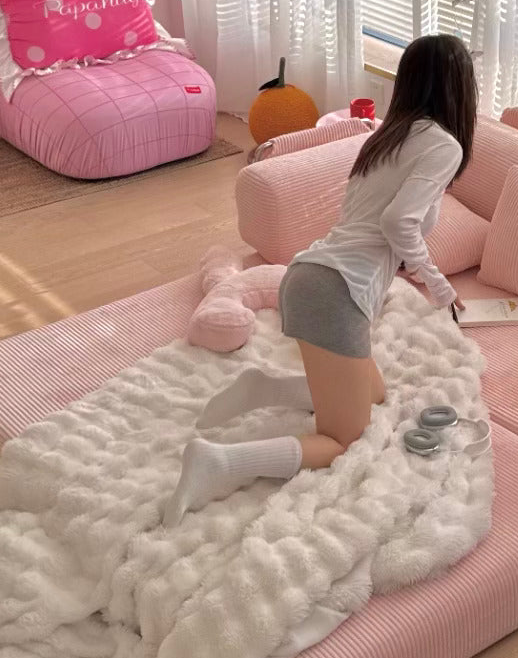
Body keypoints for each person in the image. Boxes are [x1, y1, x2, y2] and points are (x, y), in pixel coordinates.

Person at [166, 34, 477, 518]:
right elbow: (399, 223)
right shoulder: (443, 146)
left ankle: (263, 388)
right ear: (462, 87)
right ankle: (221, 462)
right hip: (334, 293)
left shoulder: (388, 134)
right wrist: (439, 286)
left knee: (373, 395)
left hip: (311, 274)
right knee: (344, 439)